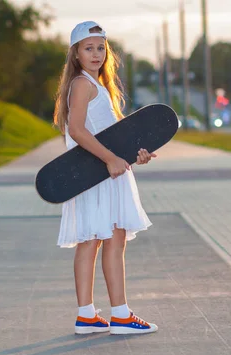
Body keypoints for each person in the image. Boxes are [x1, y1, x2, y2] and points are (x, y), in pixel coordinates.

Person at [53, 21, 158, 335]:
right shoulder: (83, 84)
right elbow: (77, 130)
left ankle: (87, 315)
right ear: (76, 54)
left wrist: (136, 154)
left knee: (93, 241)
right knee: (111, 239)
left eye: (101, 47)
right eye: (89, 48)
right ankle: (121, 315)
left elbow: (115, 137)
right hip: (97, 173)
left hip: (99, 173)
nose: (96, 53)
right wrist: (111, 159)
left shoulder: (100, 87)